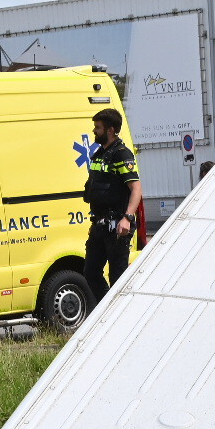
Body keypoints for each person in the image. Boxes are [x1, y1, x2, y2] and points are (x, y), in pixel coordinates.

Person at [83, 109, 142, 303]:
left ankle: (119, 314)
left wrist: (127, 218)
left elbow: (136, 188)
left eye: (98, 128)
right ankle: (108, 308)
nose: (94, 131)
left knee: (117, 277)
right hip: (100, 223)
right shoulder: (100, 154)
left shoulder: (121, 154)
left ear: (110, 130)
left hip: (118, 225)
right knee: (90, 271)